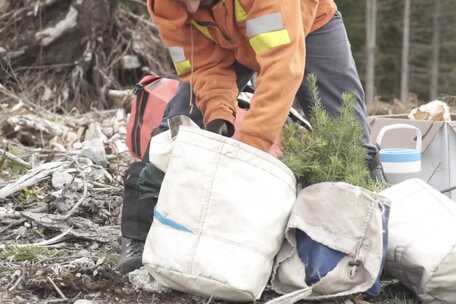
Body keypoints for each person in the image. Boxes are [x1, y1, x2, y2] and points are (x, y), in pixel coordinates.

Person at [117, 0, 384, 273]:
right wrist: (219, 115)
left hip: (307, 27)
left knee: (349, 140)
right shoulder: (165, 5)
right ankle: (141, 238)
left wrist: (252, 145)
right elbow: (202, 66)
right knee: (176, 131)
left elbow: (281, 69)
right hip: (227, 43)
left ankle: (377, 239)